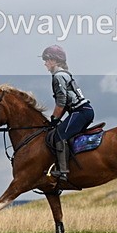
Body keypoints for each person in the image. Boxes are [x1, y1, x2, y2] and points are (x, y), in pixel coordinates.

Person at [41, 45, 95, 181]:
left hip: (80, 111)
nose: (45, 63)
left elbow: (61, 102)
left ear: (54, 60)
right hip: (84, 111)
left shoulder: (58, 77)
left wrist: (53, 119)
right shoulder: (64, 74)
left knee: (59, 135)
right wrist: (56, 118)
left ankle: (63, 171)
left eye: (47, 60)